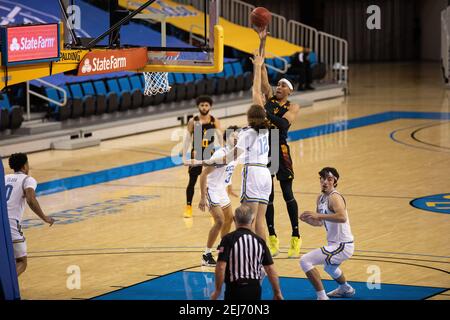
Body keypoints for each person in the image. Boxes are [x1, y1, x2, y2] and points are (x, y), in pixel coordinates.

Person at [256, 27, 302, 258]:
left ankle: (296, 236)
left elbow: (284, 125)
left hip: (280, 148)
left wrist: (264, 115)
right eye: (278, 84)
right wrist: (262, 40)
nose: (278, 87)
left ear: (290, 91)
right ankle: (272, 237)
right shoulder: (269, 98)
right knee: (268, 196)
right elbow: (262, 67)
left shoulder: (292, 106)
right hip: (266, 148)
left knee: (287, 194)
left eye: (283, 85)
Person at [299, 167, 355, 300]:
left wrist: (318, 215)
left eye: (329, 179)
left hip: (343, 245)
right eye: (323, 179)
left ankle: (322, 297)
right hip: (336, 244)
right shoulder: (320, 198)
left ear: (335, 182)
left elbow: (342, 217)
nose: (325, 182)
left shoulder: (334, 197)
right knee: (329, 268)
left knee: (305, 260)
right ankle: (346, 288)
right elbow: (320, 222)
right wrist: (307, 220)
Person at [210, 204, 283, 300]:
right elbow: (270, 269)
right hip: (254, 289)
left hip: (234, 289)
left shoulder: (227, 239)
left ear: (234, 219)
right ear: (252, 221)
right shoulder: (260, 241)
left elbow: (221, 266)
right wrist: (277, 292)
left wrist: (217, 290)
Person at [4, 153, 55, 276]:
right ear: (25, 166)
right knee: (21, 261)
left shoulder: (4, 178)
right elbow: (31, 200)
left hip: (1, 219)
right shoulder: (28, 180)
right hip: (10, 223)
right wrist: (45, 217)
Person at [198, 126, 240, 267]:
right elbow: (203, 175)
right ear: (226, 138)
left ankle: (223, 248)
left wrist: (230, 187)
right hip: (210, 190)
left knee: (229, 219)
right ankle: (206, 254)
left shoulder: (234, 155)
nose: (237, 138)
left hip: (221, 190)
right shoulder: (219, 155)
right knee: (220, 221)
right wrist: (203, 197)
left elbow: (228, 173)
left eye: (238, 136)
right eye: (234, 136)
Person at [182, 96, 223, 218]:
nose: (204, 107)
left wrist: (223, 150)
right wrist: (184, 155)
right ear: (198, 107)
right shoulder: (193, 121)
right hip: (196, 154)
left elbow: (220, 136)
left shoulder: (214, 120)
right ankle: (188, 206)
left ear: (210, 106)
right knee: (192, 181)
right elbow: (188, 138)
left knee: (211, 183)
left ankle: (212, 207)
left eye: (206, 105)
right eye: (202, 105)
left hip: (210, 154)